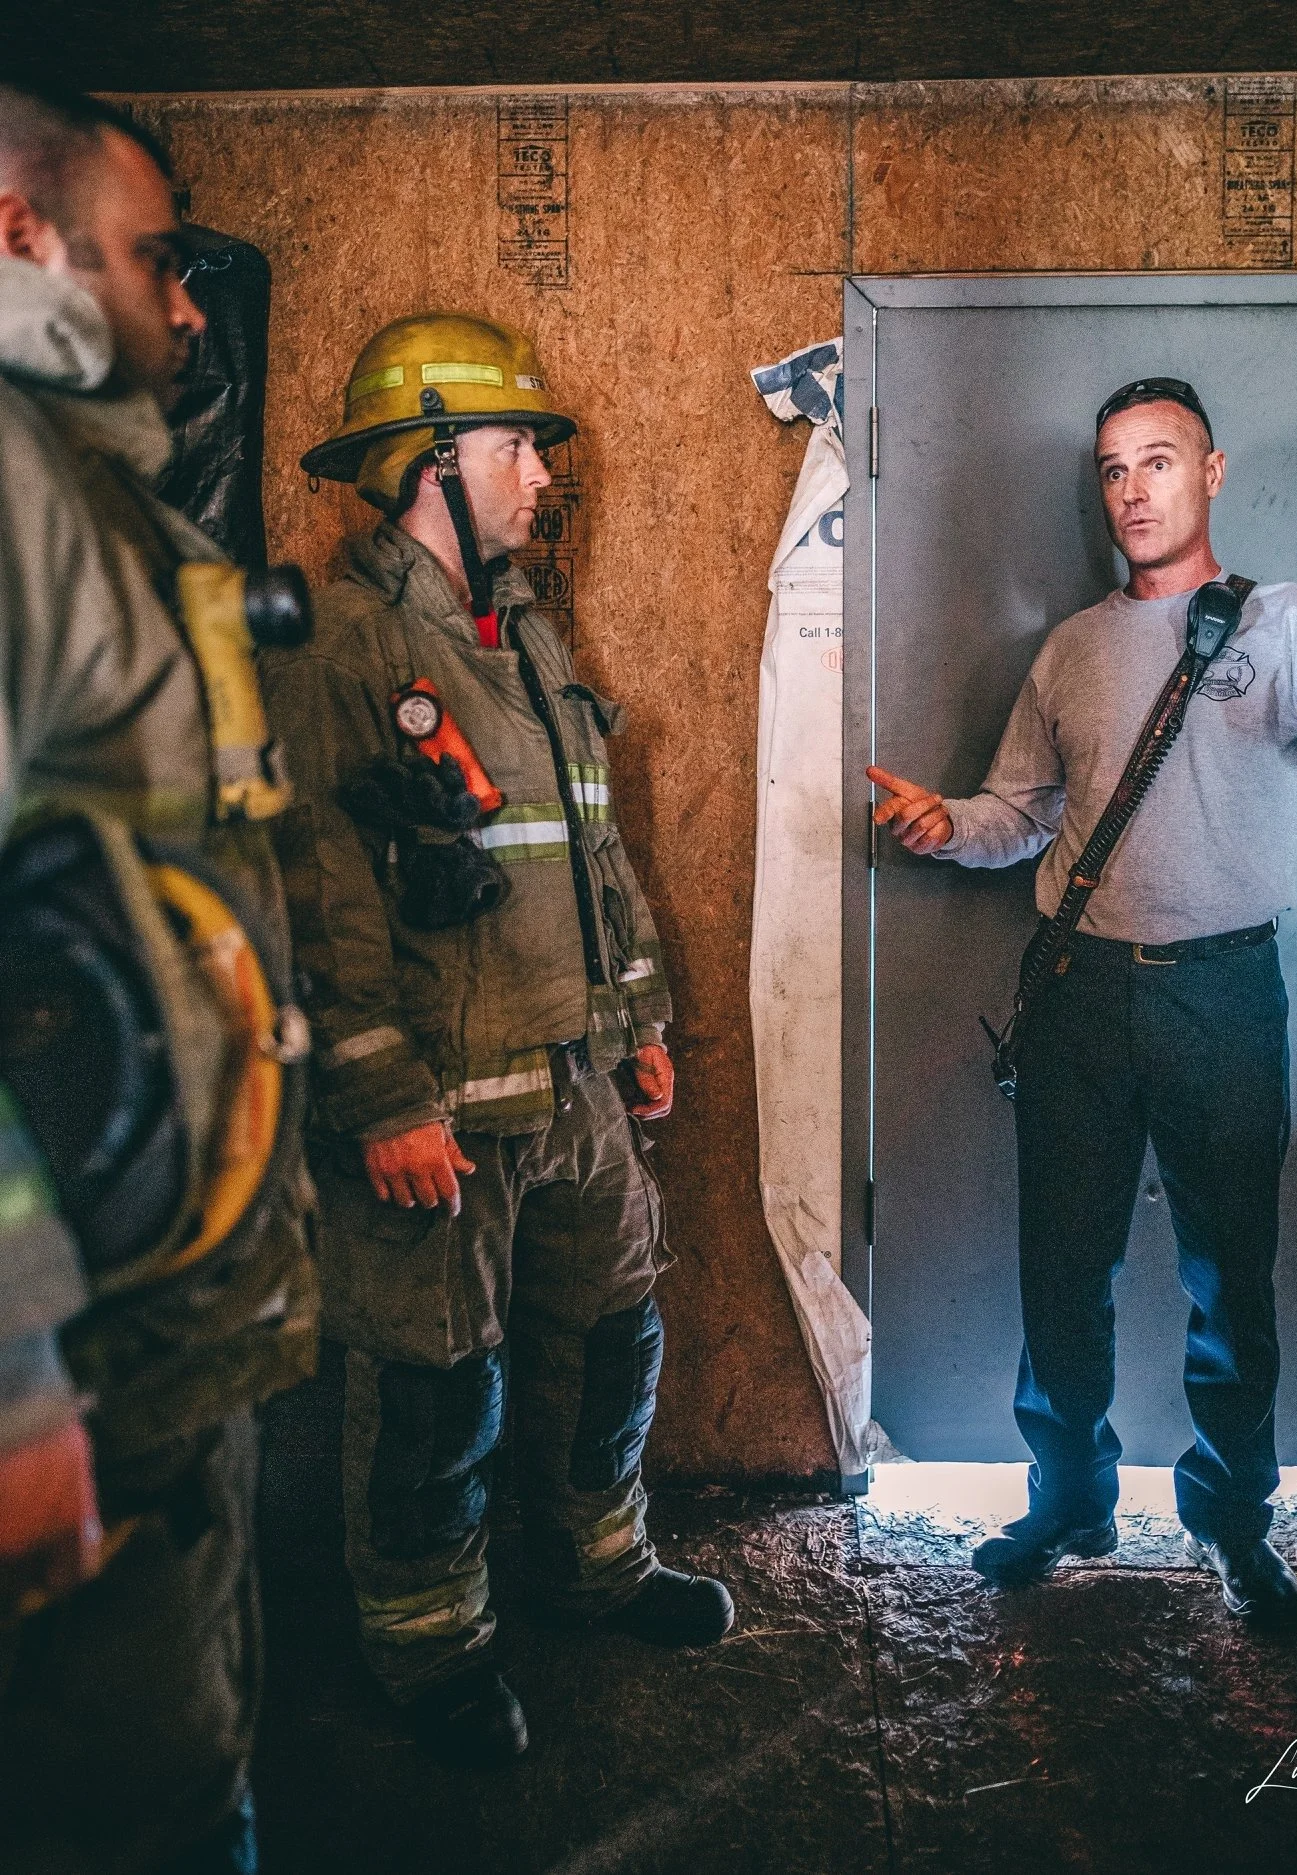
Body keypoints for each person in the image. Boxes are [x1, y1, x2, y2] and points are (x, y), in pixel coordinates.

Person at [869, 376, 1297, 1630]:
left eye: (1159, 460)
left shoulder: (1292, 626)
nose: (1133, 487)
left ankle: (1232, 1518)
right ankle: (1068, 1499)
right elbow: (1022, 816)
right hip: (1082, 997)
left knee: (1231, 1280)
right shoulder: (1071, 650)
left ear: (1212, 472)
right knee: (1062, 1270)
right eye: (1112, 467)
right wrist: (945, 825)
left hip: (1224, 998)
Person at [263, 312, 733, 1766]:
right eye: (516, 442)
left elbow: (588, 850)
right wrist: (385, 1095)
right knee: (433, 1387)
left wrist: (640, 1014)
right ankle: (431, 1645)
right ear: (430, 465)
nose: (541, 469)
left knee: (611, 1335)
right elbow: (318, 896)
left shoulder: (521, 627)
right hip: (442, 1110)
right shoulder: (345, 642)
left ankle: (601, 1568)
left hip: (575, 1075)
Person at [0, 84, 318, 1870]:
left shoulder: (106, 506)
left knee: (184, 1765)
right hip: (78, 1365)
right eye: (155, 261)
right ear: (17, 240)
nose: (191, 308)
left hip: (156, 1330)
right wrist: (13, 1376)